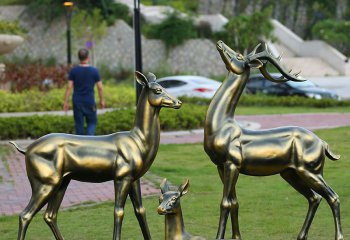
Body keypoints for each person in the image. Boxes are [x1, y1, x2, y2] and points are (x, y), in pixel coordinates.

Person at [63, 48, 104, 135]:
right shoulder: (94, 71)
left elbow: (69, 87)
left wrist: (66, 102)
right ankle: (90, 142)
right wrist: (101, 100)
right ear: (88, 57)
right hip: (90, 102)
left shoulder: (73, 71)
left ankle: (80, 145)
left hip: (77, 102)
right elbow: (100, 87)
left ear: (79, 58)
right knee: (92, 123)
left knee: (79, 126)